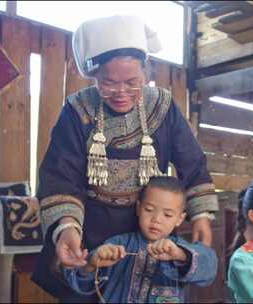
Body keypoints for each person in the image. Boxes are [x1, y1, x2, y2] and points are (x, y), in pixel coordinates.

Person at [32, 15, 218, 301]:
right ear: (95, 77)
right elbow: (60, 176)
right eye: (108, 83)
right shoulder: (77, 110)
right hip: (92, 231)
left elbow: (192, 162)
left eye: (133, 82)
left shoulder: (163, 106)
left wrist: (202, 215)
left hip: (150, 227)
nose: (121, 93)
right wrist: (67, 229)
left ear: (146, 73)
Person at [64, 176, 217, 303]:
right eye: (149, 210)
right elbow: (80, 284)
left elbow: (209, 269)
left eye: (168, 215)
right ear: (138, 208)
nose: (156, 219)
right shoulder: (117, 245)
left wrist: (180, 255)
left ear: (180, 219)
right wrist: (92, 263)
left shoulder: (179, 250)